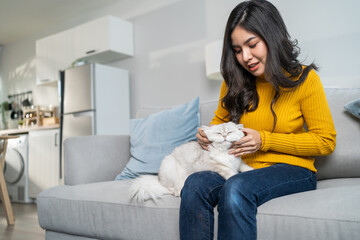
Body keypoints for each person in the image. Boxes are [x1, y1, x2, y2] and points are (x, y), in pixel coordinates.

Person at [179, 0, 336, 239]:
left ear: (271, 36)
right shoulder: (234, 83)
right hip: (240, 167)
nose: (246, 57)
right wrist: (206, 135)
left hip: (293, 169)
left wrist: (265, 140)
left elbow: (325, 142)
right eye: (237, 50)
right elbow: (219, 121)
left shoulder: (305, 79)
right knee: (195, 183)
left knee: (237, 187)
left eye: (252, 45)